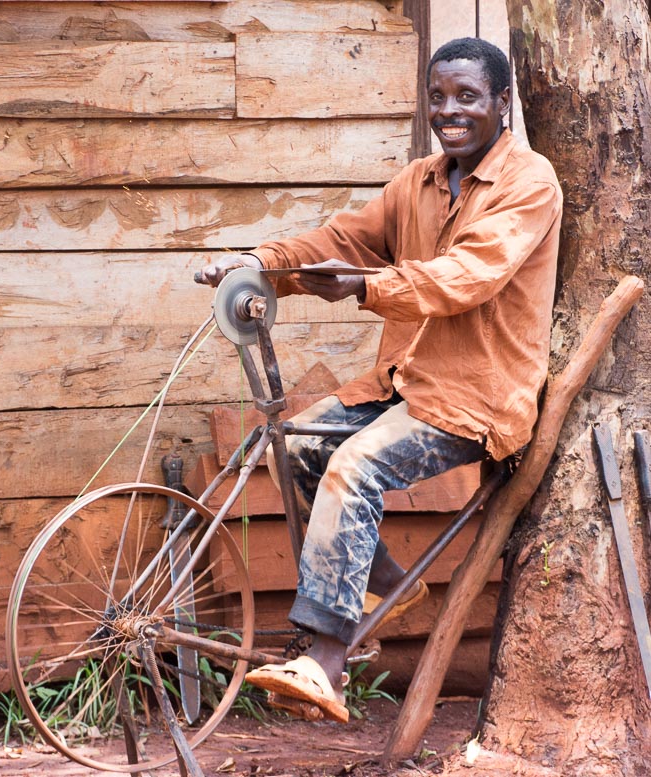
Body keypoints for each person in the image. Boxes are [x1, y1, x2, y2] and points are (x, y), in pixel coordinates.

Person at [198, 37, 563, 722]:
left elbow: (468, 277)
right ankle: (384, 580)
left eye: (467, 96)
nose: (448, 111)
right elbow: (340, 241)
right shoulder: (419, 182)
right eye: (438, 97)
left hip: (477, 400)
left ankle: (327, 664)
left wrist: (368, 287)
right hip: (405, 382)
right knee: (299, 445)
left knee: (354, 465)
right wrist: (255, 260)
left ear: (503, 102)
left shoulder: (530, 184)